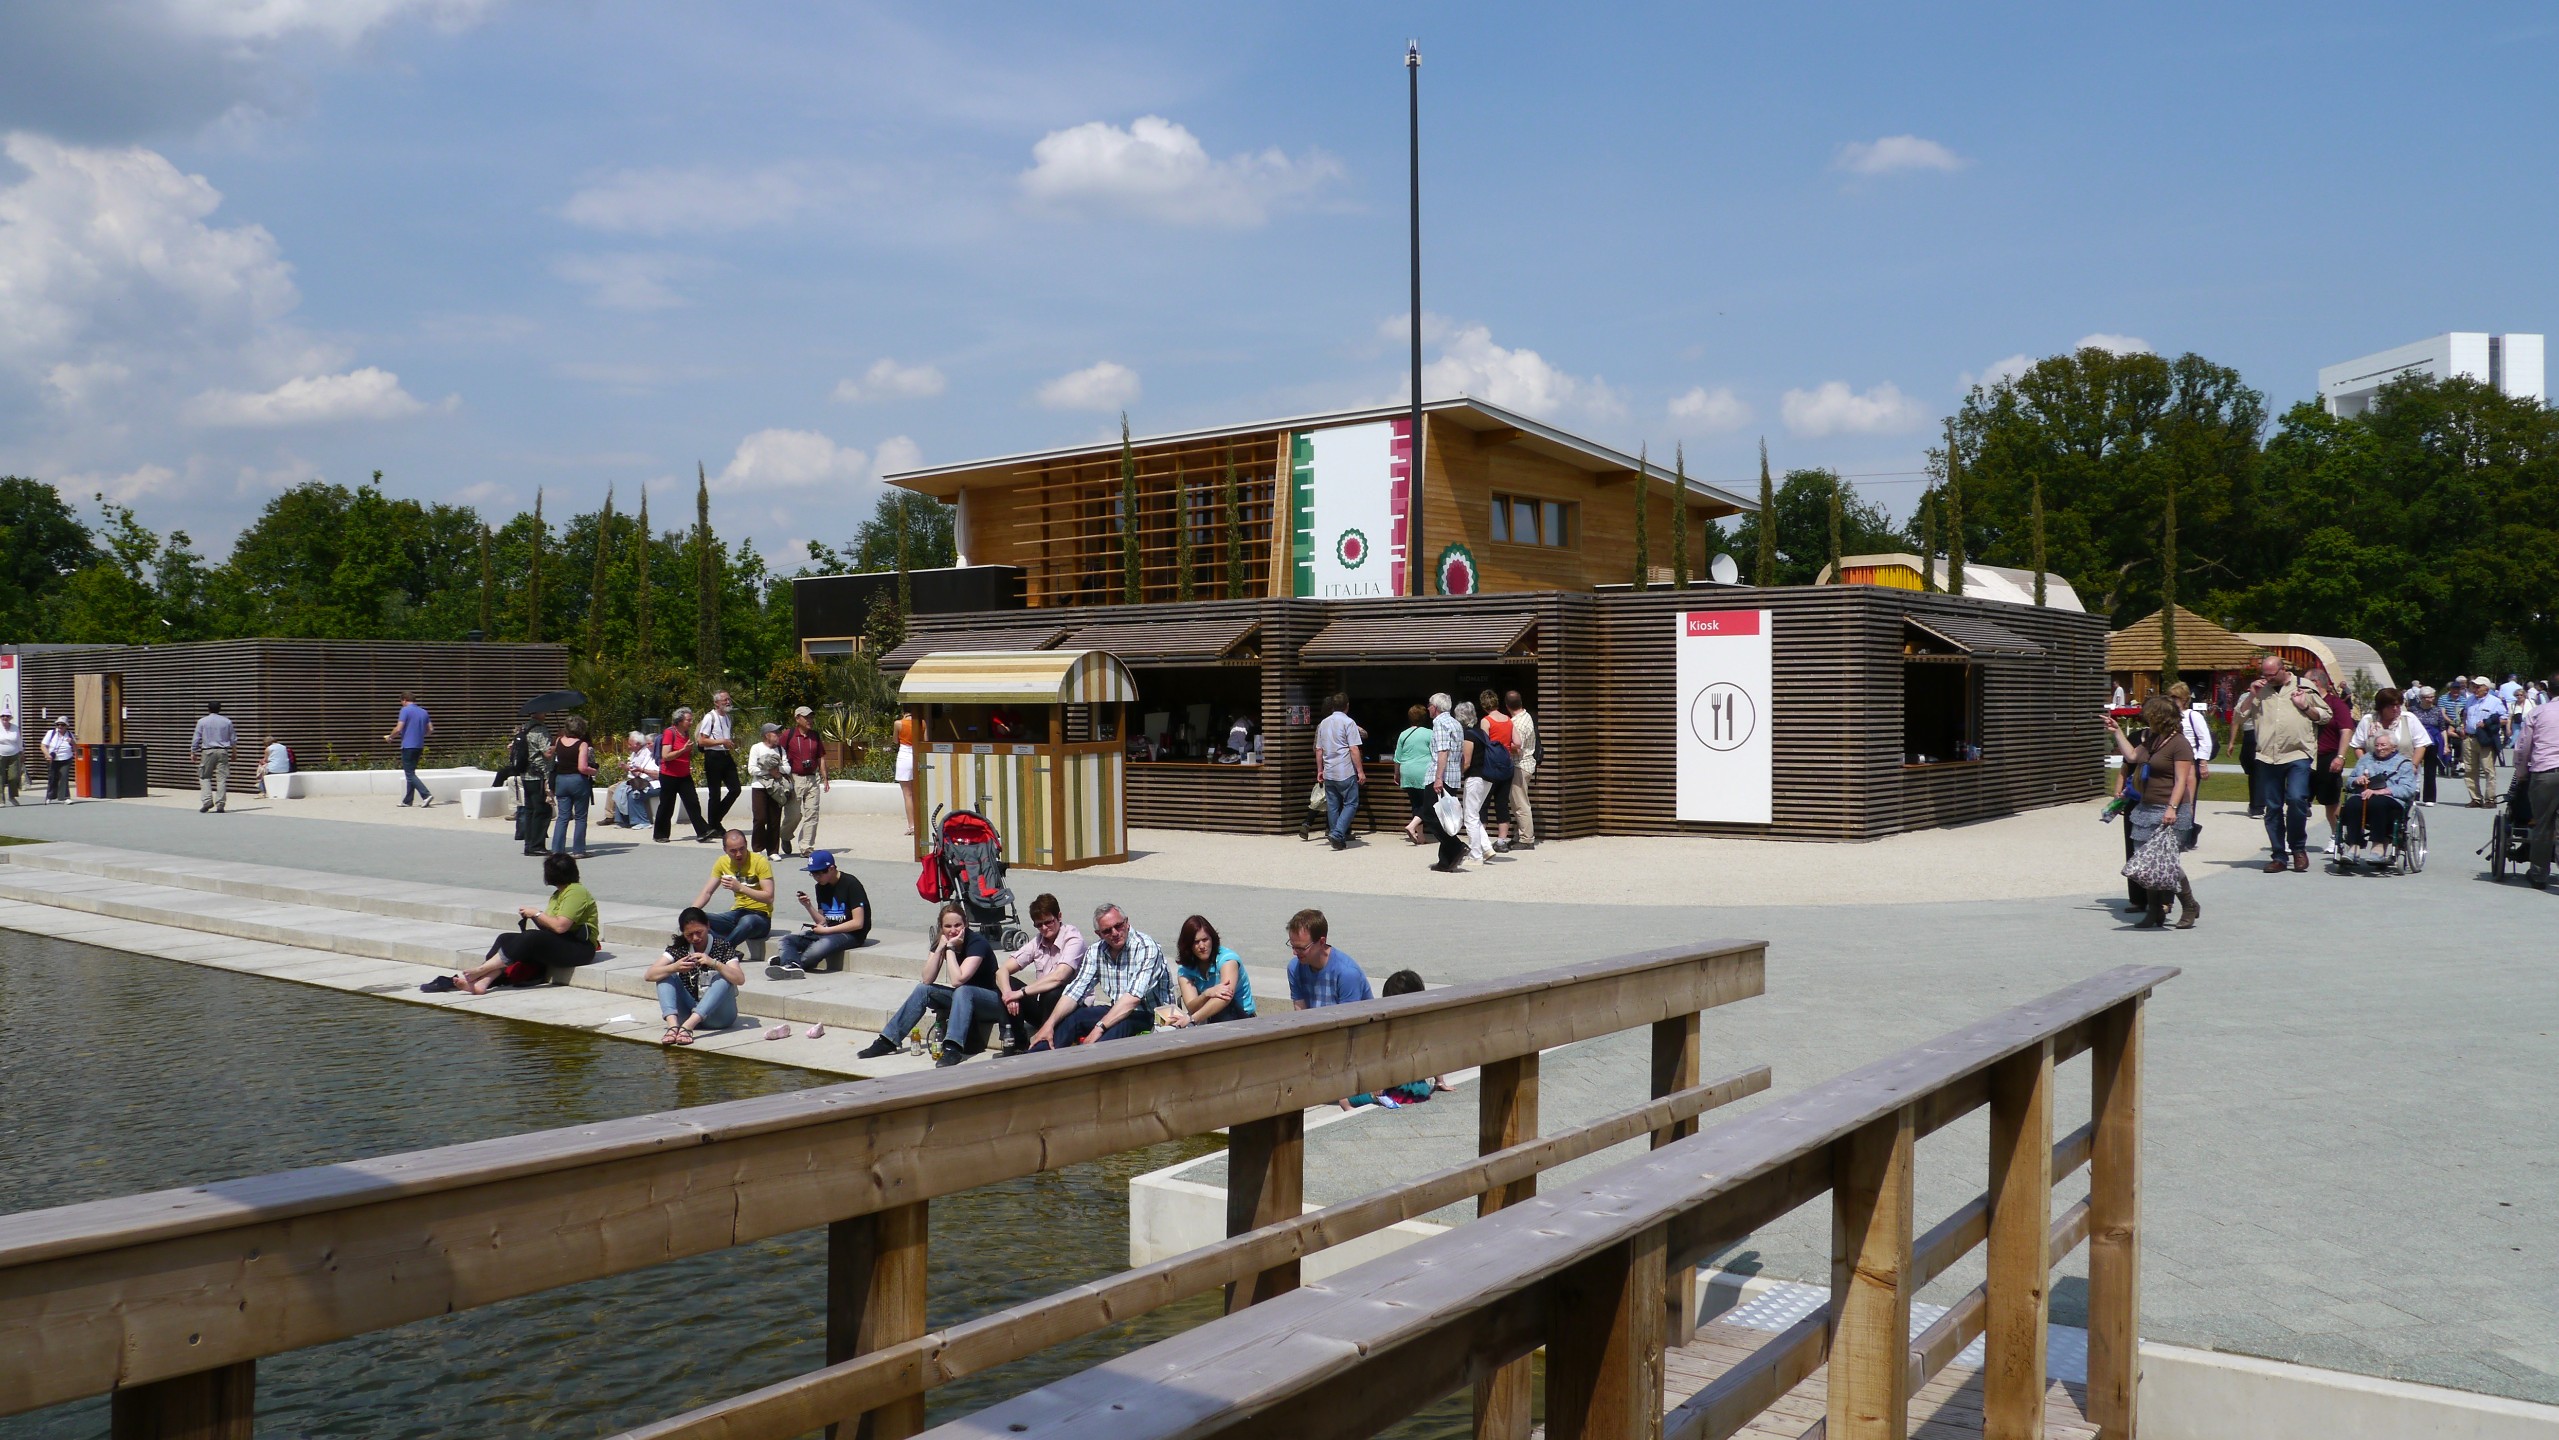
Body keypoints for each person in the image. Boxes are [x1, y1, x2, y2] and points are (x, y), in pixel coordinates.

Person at [427, 852, 600, 995]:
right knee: (505, 938)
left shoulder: (576, 891)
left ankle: (481, 971)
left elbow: (560, 926)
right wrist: (535, 917)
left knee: (531, 937)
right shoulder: (557, 895)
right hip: (564, 943)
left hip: (580, 948)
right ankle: (482, 983)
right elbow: (550, 927)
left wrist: (537, 913)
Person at [858, 902, 1003, 1065]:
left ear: (966, 924)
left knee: (963, 990)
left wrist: (950, 949)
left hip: (991, 1002)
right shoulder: (942, 941)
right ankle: (888, 1041)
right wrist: (940, 948)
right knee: (923, 989)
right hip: (962, 1000)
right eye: (947, 926)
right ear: (941, 927)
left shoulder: (977, 943)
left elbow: (957, 980)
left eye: (957, 925)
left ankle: (953, 1049)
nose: (953, 930)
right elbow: (927, 979)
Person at [2101, 696, 2197, 928]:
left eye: (2149, 714)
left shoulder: (2180, 744)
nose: (2145, 717)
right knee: (2145, 861)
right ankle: (2154, 911)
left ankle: (2189, 905)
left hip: (2170, 810)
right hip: (2146, 808)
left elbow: (2181, 780)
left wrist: (2172, 808)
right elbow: (2132, 757)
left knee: (2165, 861)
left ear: (2160, 717)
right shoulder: (2152, 739)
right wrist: (2117, 732)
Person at [1024, 902, 1173, 1050]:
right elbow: (1075, 991)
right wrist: (1049, 1025)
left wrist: (1099, 1027)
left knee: (1116, 1029)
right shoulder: (1096, 951)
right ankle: (1036, 1057)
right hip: (1117, 1010)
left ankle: (1087, 1060)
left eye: (1118, 926)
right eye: (1107, 931)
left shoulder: (1146, 947)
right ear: (1099, 934)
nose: (1115, 933)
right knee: (1074, 1019)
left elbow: (1132, 999)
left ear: (1127, 922)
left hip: (1151, 1015)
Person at [2231, 656, 2329, 873]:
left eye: (2271, 675)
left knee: (2296, 799)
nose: (2267, 679)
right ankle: (2278, 855)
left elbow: (2325, 716)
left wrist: (2305, 707)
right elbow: (2238, 717)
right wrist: (2252, 695)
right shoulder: (2259, 691)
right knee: (2273, 807)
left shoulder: (2304, 686)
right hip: (2267, 756)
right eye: (2264, 675)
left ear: (2283, 669)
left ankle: (2298, 849)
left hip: (2298, 753)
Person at [997, 893, 1084, 1054]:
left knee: (1053, 991)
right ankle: (1017, 1043)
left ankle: (1042, 1044)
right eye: (1039, 925)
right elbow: (1002, 971)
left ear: (1059, 916)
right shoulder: (1037, 941)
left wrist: (1020, 993)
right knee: (1007, 984)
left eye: (1048, 922)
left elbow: (1059, 977)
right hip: (1045, 1007)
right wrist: (1009, 994)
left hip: (1071, 1007)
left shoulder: (1073, 938)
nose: (1044, 928)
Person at [646, 906, 746, 1045]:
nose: (695, 938)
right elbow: (649, 975)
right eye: (689, 935)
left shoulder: (723, 946)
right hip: (688, 1011)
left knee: (724, 978)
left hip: (719, 1017)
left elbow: (740, 979)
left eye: (699, 932)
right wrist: (674, 967)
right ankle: (673, 1027)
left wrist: (714, 963)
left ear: (708, 926)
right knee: (665, 975)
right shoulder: (679, 948)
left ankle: (688, 1027)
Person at [1345, 969, 1442, 1109]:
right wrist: (1440, 1081)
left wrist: (1378, 1085)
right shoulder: (1421, 1024)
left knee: (1344, 1100)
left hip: (1396, 1093)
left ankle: (1356, 1116)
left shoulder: (1388, 1028)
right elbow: (1433, 1054)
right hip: (1421, 1090)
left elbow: (1381, 1061)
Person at [770, 850, 869, 979]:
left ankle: (789, 962)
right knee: (786, 940)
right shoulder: (821, 887)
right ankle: (790, 963)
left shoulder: (851, 884)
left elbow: (858, 923)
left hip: (852, 934)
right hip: (829, 930)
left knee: (818, 948)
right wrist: (808, 906)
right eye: (812, 874)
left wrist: (827, 931)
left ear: (831, 869)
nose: (816, 877)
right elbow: (823, 921)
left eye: (818, 873)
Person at [2336, 731, 2419, 869]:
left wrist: (2384, 791)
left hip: (2390, 800)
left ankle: (2378, 847)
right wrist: (2357, 780)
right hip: (2363, 796)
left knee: (2378, 803)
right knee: (2352, 803)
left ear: (2393, 747)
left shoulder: (2404, 763)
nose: (2379, 748)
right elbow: (2349, 781)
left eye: (2383, 745)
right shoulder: (2365, 759)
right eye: (2377, 745)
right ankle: (2353, 847)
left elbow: (2409, 789)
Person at [689, 829, 774, 950]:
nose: (738, 854)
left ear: (746, 845)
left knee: (747, 921)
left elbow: (769, 897)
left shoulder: (760, 862)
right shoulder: (722, 862)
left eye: (742, 849)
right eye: (733, 851)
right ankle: (723, 947)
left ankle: (722, 950)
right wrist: (690, 913)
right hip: (737, 913)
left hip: (760, 917)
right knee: (698, 918)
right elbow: (707, 892)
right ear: (725, 850)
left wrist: (740, 888)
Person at [2515, 672, 2559, 888]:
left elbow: (2523, 747)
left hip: (2545, 772)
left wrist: (2521, 772)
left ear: (2548, 690)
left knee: (2543, 824)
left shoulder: (2538, 713)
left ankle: (2539, 873)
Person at [1172, 914, 1256, 1024]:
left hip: (1242, 1018)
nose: (1202, 946)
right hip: (1210, 1019)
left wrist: (1192, 1019)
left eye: (1205, 940)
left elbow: (1225, 998)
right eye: (1196, 942)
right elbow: (1192, 1008)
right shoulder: (1185, 969)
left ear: (1212, 939)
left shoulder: (1228, 960)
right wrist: (1206, 994)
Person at [2306, 671, 2355, 855]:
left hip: (2328, 756)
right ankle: (2294, 837)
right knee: (2298, 799)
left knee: (2331, 802)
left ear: (2316, 682)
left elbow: (2346, 730)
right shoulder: (2302, 702)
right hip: (2304, 756)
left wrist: (2340, 756)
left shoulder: (2336, 704)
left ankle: (2336, 835)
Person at [1285, 907, 1373, 1009]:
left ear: (1322, 942)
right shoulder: (1294, 968)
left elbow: (1349, 1016)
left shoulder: (1347, 973)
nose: (1294, 952)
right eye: (1293, 946)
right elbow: (1301, 1012)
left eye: (1301, 948)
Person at [653, 707, 713, 843]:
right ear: (679, 721)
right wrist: (683, 750)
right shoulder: (669, 733)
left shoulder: (686, 733)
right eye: (688, 720)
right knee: (667, 805)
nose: (691, 722)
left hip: (684, 775)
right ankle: (660, 834)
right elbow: (666, 756)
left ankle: (702, 831)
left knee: (693, 803)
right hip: (669, 775)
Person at [1314, 691, 1365, 850]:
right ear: (1347, 706)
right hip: (1345, 770)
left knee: (1333, 806)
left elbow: (1319, 749)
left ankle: (1337, 836)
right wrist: (1360, 771)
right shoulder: (1349, 722)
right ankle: (1337, 833)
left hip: (1329, 771)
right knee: (1351, 803)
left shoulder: (1323, 723)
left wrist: (1320, 770)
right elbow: (1353, 748)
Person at [1424, 692, 1468, 873]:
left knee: (1429, 814)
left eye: (1429, 705)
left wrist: (1438, 778)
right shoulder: (1456, 723)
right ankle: (1445, 861)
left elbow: (1443, 751)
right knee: (1445, 818)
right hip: (1453, 775)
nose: (1427, 708)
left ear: (1435, 707)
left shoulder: (1440, 723)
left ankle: (1456, 845)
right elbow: (1461, 753)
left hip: (1440, 775)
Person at [547, 716, 598, 857]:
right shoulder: (582, 744)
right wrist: (593, 771)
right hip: (577, 781)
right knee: (580, 817)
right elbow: (582, 767)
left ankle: (557, 849)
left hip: (561, 780)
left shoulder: (559, 741)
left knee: (562, 817)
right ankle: (579, 850)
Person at [782, 706, 828, 857]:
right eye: (806, 717)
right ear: (797, 718)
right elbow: (779, 753)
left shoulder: (815, 735)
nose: (810, 720)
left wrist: (825, 778)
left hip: (812, 779)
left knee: (812, 814)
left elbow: (821, 757)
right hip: (794, 778)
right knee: (794, 814)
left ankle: (806, 847)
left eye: (811, 717)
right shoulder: (788, 735)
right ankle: (785, 835)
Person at [1453, 701, 1494, 864]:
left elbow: (1467, 762)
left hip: (1475, 778)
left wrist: (1456, 775)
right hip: (1487, 778)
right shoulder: (1481, 733)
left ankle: (1476, 856)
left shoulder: (1468, 735)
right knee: (1474, 814)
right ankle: (1487, 847)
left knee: (1470, 816)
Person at [1477, 689, 1515, 852]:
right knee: (1502, 804)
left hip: (1490, 767)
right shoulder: (1508, 720)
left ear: (1483, 705)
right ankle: (1501, 841)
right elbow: (1518, 742)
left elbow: (1484, 744)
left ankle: (1482, 841)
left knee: (1483, 804)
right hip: (1506, 765)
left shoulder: (1486, 721)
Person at [2463, 674, 2509, 808]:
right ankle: (2475, 798)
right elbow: (2465, 714)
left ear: (2486, 689)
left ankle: (2490, 799)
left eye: (2478, 687)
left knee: (2488, 769)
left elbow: (2504, 719)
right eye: (2474, 686)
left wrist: (2487, 723)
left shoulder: (2495, 702)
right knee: (2470, 770)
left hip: (2485, 739)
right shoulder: (2470, 700)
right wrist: (2463, 726)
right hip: (2469, 738)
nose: (2475, 689)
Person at [697, 691, 740, 830]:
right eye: (724, 700)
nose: (728, 702)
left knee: (735, 789)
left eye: (729, 699)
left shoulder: (727, 718)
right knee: (715, 793)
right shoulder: (710, 717)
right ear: (716, 703)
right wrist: (722, 741)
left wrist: (729, 743)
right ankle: (714, 825)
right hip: (713, 756)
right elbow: (702, 741)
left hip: (725, 755)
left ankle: (715, 821)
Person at [383, 691, 434, 808]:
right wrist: (419, 734)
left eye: (401, 701)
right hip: (419, 745)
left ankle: (426, 795)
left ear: (405, 700)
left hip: (408, 745)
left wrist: (390, 737)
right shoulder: (423, 711)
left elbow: (399, 728)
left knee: (409, 774)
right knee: (411, 773)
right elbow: (430, 729)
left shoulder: (405, 710)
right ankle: (407, 801)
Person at [746, 721, 789, 857]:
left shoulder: (781, 750)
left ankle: (773, 851)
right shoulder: (756, 748)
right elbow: (752, 769)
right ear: (767, 735)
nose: (779, 735)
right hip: (759, 787)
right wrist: (769, 771)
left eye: (779, 732)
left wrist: (777, 770)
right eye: (775, 733)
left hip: (776, 788)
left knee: (774, 819)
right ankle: (757, 849)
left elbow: (787, 768)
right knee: (760, 818)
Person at [1393, 704, 1434, 845]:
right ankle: (1412, 826)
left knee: (1416, 804)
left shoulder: (1403, 734)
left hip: (1407, 771)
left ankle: (1420, 836)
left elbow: (1397, 757)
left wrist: (1396, 773)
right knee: (1429, 804)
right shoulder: (1430, 733)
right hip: (1423, 771)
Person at [1505, 691, 1539, 850]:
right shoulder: (1526, 717)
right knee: (1519, 802)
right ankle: (1518, 835)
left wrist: (1501, 743)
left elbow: (1517, 748)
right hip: (1527, 764)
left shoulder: (1516, 723)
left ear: (1507, 706)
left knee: (1520, 804)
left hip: (1520, 765)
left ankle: (1526, 839)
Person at [604, 731, 657, 828]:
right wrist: (628, 768)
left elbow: (653, 774)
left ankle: (642, 821)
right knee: (620, 790)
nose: (647, 746)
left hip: (652, 783)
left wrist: (636, 770)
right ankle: (623, 820)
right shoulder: (645, 754)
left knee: (632, 793)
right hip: (639, 781)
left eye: (649, 744)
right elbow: (638, 771)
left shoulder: (652, 755)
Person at [192, 700, 237, 814]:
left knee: (204, 776)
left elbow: (197, 737)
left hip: (208, 751)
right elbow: (233, 738)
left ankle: (207, 801)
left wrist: (193, 751)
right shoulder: (227, 721)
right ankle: (220, 803)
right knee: (222, 778)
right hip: (223, 751)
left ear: (208, 709)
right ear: (220, 709)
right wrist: (234, 752)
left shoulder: (202, 721)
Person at [2410, 687, 2446, 807]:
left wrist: (2445, 745)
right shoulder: (2413, 710)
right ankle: (2413, 795)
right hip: (2417, 743)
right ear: (2421, 698)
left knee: (2430, 770)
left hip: (2432, 742)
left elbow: (2442, 728)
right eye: (2428, 697)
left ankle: (2429, 798)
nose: (2431, 699)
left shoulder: (2437, 710)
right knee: (2414, 768)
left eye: (2432, 697)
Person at [894, 709, 919, 836]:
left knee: (907, 794)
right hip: (918, 753)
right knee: (917, 793)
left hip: (904, 755)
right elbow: (925, 739)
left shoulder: (898, 723)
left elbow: (895, 740)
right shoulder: (922, 723)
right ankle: (920, 824)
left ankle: (912, 826)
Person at [42, 718, 75, 803]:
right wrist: (47, 755)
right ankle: (50, 796)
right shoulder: (51, 733)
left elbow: (75, 748)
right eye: (58, 724)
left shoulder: (70, 734)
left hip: (66, 758)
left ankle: (64, 797)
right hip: (53, 759)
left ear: (66, 726)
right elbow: (43, 746)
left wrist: (72, 742)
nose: (60, 726)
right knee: (52, 777)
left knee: (64, 776)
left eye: (62, 725)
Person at [0, 713, 20, 806]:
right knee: (1, 777)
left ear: (10, 718)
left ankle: (12, 796)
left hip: (14, 754)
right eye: (3, 716)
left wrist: (22, 752)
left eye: (7, 716)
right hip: (1, 754)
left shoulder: (15, 727)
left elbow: (19, 740)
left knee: (14, 776)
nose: (5, 718)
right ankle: (1, 799)